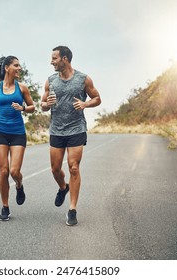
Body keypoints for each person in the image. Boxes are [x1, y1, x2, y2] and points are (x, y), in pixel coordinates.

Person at [41, 46, 101, 226]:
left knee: (73, 167)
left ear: (65, 59)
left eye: (54, 58)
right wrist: (46, 104)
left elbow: (97, 98)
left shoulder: (83, 79)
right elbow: (42, 105)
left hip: (76, 128)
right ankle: (63, 187)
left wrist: (85, 104)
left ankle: (72, 209)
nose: (51, 62)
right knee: (55, 169)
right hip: (57, 130)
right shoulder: (50, 81)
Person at [0, 55, 35, 221]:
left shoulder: (22, 88)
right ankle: (5, 207)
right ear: (7, 67)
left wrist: (22, 108)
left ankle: (19, 185)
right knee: (4, 171)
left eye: (19, 65)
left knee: (14, 171)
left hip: (17, 133)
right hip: (0, 132)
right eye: (16, 65)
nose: (19, 68)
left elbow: (32, 107)